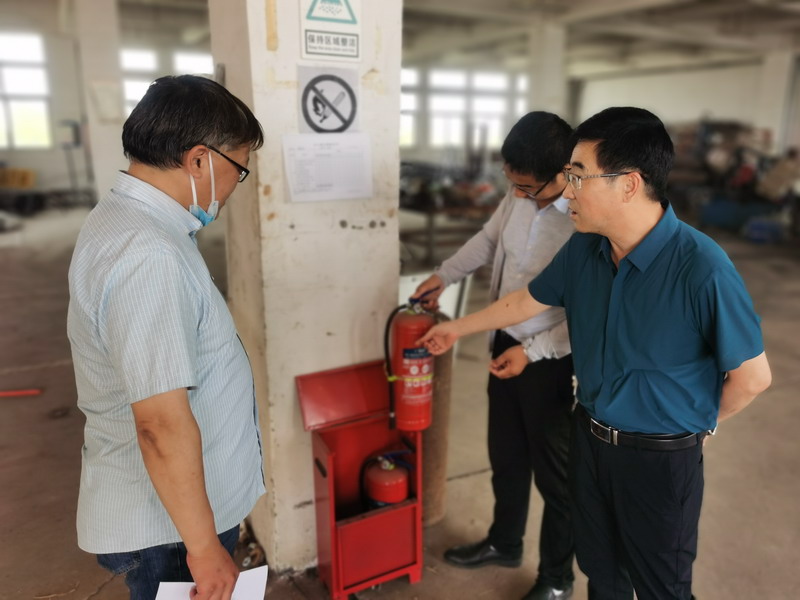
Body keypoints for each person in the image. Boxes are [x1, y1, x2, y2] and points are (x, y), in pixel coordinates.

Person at [418, 107, 772, 600]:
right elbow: (526, 302)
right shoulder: (586, 250)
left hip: (658, 459)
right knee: (601, 573)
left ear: (628, 184)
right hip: (590, 438)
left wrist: (699, 430)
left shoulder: (702, 268)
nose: (568, 191)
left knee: (661, 585)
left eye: (578, 176)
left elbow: (752, 378)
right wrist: (456, 329)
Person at [67, 75, 266, 600]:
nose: (233, 186)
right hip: (172, 531)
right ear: (199, 159)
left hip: (176, 513)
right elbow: (159, 423)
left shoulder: (127, 220)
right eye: (238, 168)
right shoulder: (147, 255)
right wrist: (203, 548)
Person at [411, 112, 576, 600]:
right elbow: (487, 240)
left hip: (551, 359)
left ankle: (556, 579)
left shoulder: (585, 219)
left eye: (527, 187)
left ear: (563, 172)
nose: (517, 194)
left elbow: (589, 312)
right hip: (503, 340)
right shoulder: (519, 194)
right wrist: (444, 274)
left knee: (558, 479)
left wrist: (533, 351)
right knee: (506, 456)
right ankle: (505, 543)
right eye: (512, 183)